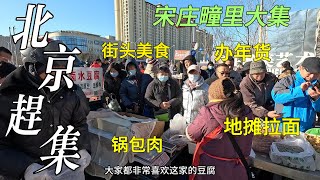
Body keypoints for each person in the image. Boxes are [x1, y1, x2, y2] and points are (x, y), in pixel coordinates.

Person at [0, 40, 91, 179]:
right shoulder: (8, 95)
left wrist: (82, 148)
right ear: (34, 68)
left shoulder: (71, 92)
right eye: (52, 70)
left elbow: (79, 124)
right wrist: (25, 168)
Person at [186, 77, 253, 180]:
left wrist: (187, 128)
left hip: (213, 170)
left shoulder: (209, 112)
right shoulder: (247, 111)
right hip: (239, 169)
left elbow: (192, 134)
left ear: (214, 95)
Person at [272, 57, 320, 132]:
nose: (312, 76)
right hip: (285, 128)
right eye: (309, 73)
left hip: (307, 129)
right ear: (301, 68)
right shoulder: (287, 81)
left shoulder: (317, 85)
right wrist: (299, 90)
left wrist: (316, 98)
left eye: (316, 74)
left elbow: (318, 109)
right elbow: (277, 96)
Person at [145, 64, 182, 130]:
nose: (164, 76)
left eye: (166, 74)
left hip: (173, 113)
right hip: (159, 114)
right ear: (157, 74)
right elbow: (147, 98)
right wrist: (159, 104)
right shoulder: (152, 85)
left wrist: (171, 103)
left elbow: (179, 96)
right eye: (161, 74)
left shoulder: (174, 83)